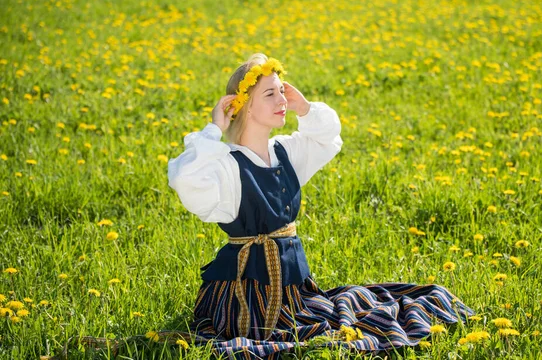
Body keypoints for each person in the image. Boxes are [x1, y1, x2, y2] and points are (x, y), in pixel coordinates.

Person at [167, 53, 474, 359]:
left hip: (293, 290)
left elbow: (328, 138)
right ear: (242, 104)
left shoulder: (284, 151)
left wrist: (305, 108)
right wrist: (213, 130)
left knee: (358, 312)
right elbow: (186, 177)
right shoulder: (228, 165)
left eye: (282, 91)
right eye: (270, 94)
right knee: (319, 335)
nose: (281, 100)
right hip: (243, 296)